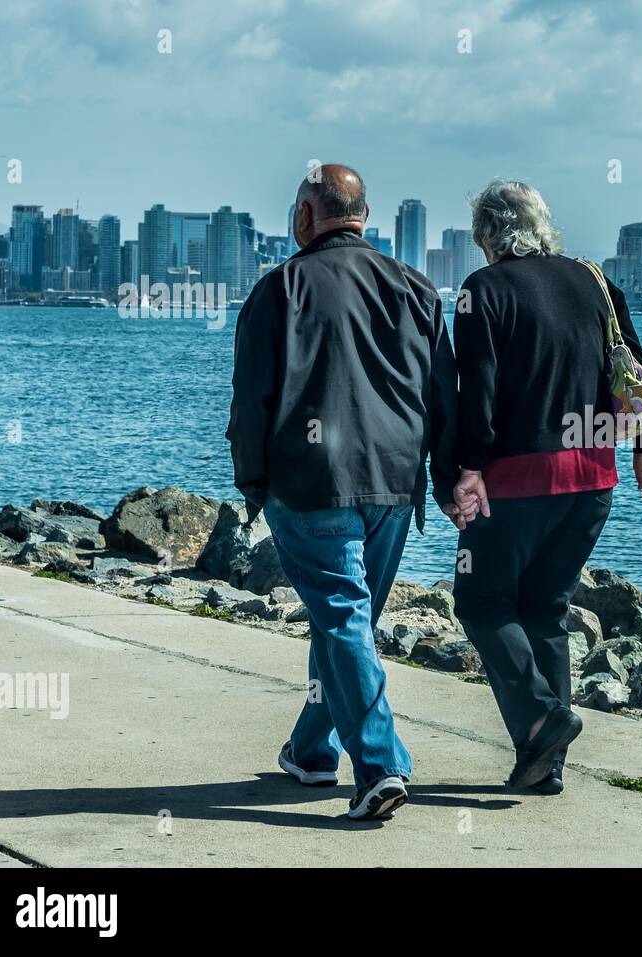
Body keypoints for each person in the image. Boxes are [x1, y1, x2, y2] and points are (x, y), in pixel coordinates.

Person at [226, 164, 457, 821]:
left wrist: (253, 484)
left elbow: (251, 402)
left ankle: (381, 766)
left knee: (344, 617)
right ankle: (311, 749)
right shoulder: (417, 289)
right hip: (394, 483)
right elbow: (443, 396)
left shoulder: (280, 289)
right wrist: (445, 477)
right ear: (367, 213)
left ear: (304, 216)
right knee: (347, 619)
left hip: (311, 483)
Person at [444, 179, 642, 793]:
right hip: (594, 478)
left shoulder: (483, 291)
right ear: (543, 226)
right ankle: (546, 766)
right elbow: (635, 366)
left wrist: (467, 470)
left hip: (517, 479)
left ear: (488, 235)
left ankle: (542, 719)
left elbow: (478, 393)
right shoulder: (592, 280)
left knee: (481, 601)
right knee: (544, 608)